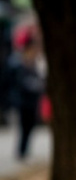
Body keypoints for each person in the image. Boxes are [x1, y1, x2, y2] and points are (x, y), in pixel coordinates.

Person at [8, 30, 46, 160]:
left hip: (32, 100)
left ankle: (24, 150)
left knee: (30, 126)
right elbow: (19, 82)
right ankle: (21, 150)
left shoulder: (35, 63)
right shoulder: (19, 62)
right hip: (23, 101)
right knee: (24, 126)